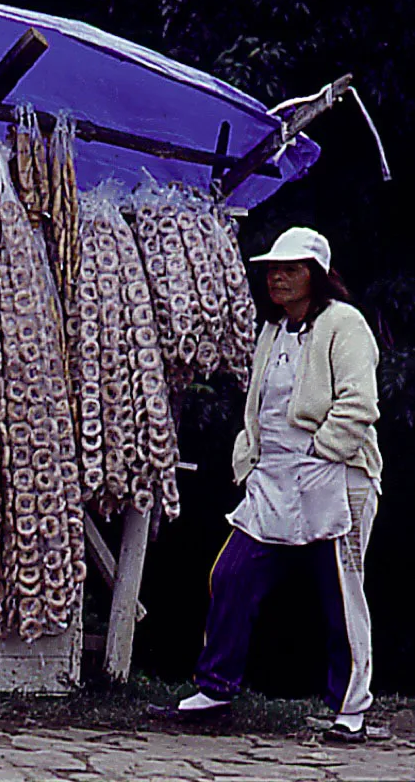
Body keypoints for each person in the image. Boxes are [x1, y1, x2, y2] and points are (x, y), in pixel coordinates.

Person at [177, 227, 382, 744]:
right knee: (232, 574)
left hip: (334, 475)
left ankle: (349, 707)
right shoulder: (272, 331)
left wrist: (322, 451)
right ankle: (217, 686)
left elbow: (359, 403)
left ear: (315, 274)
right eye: (272, 268)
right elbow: (258, 407)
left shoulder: (344, 324)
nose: (278, 276)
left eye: (290, 268)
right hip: (273, 479)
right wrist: (248, 461)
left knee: (342, 596)